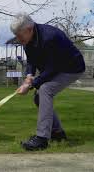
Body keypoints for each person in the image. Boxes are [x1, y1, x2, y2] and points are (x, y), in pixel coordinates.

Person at [11, 13, 86, 151]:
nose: (18, 39)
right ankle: (57, 133)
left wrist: (32, 84)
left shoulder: (50, 37)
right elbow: (31, 61)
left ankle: (42, 139)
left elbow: (53, 68)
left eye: (20, 35)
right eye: (16, 35)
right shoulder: (27, 40)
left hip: (72, 67)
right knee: (39, 98)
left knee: (45, 89)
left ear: (29, 29)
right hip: (56, 67)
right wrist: (28, 77)